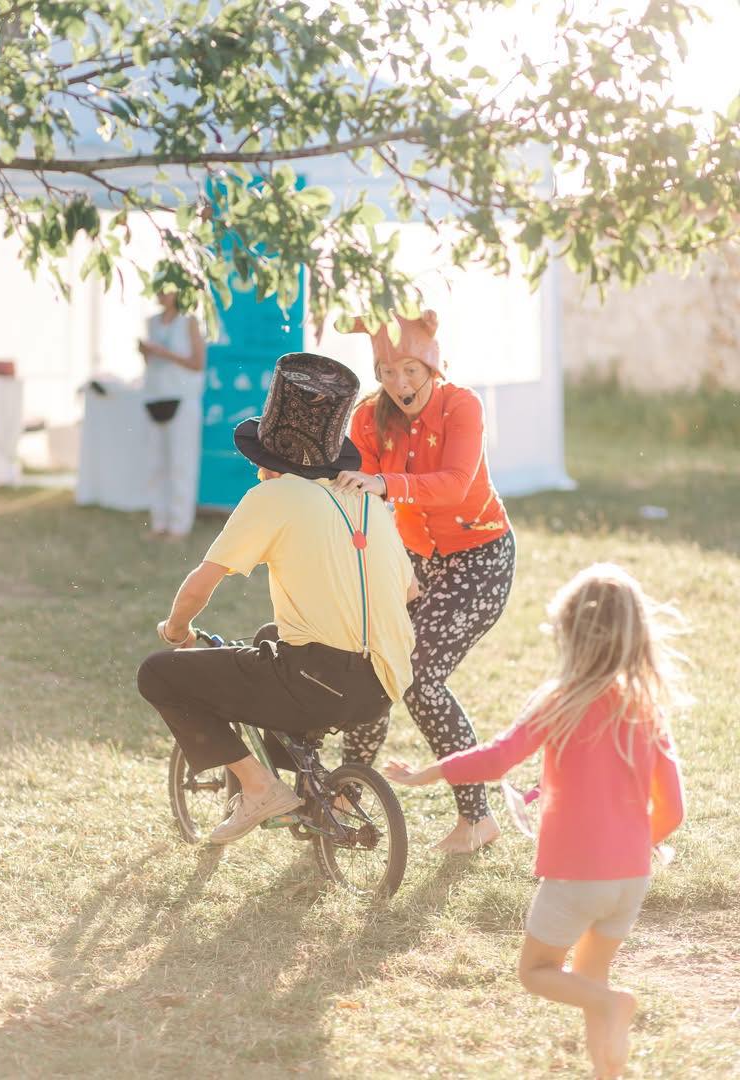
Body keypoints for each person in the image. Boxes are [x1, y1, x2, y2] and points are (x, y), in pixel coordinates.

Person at [384, 563, 686, 1079]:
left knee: (538, 972)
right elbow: (673, 808)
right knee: (593, 982)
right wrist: (640, 846)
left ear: (567, 631)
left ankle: (614, 1009)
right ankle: (607, 1070)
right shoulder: (646, 707)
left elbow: (497, 758)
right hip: (632, 878)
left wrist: (428, 773)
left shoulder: (560, 700)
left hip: (575, 878)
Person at [137, 352, 418, 844]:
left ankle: (260, 786)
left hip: (317, 682)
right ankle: (309, 780)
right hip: (383, 684)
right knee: (272, 638)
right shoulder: (369, 502)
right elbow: (410, 589)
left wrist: (176, 630)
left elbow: (203, 582)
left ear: (267, 459)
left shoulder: (273, 498)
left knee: (158, 674)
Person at [334, 310, 515, 853]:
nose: (399, 384)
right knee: (377, 663)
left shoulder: (463, 405)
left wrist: (384, 483)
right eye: (387, 372)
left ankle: (476, 820)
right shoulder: (368, 416)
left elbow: (457, 485)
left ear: (431, 366)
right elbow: (354, 493)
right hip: (416, 562)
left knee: (419, 677)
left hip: (481, 559)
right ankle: (345, 796)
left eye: (410, 370)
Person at [138, 289, 207, 539]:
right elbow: (152, 363)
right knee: (156, 464)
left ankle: (179, 526)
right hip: (155, 396)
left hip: (182, 399)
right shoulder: (151, 322)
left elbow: (198, 363)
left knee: (181, 463)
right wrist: (147, 353)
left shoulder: (189, 322)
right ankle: (159, 524)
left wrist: (163, 352)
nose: (159, 293)